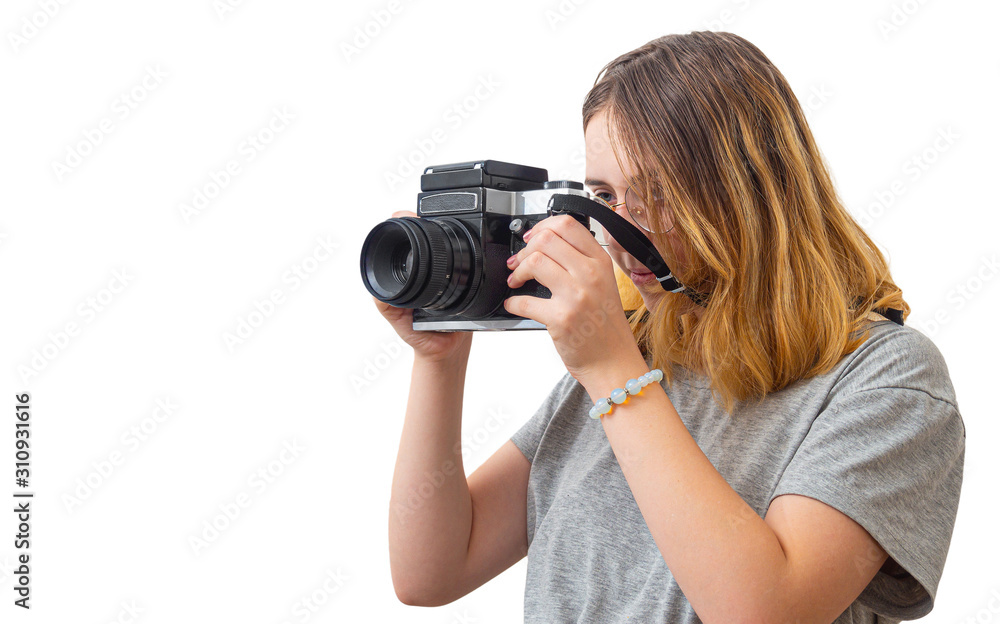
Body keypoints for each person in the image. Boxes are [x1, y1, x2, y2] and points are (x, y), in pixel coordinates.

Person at [379, 31, 965, 623]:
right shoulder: (635, 352)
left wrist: (613, 373)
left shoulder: (885, 378)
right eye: (604, 194)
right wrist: (438, 358)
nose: (622, 230)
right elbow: (432, 571)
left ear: (754, 192)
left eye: (658, 194)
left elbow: (764, 613)